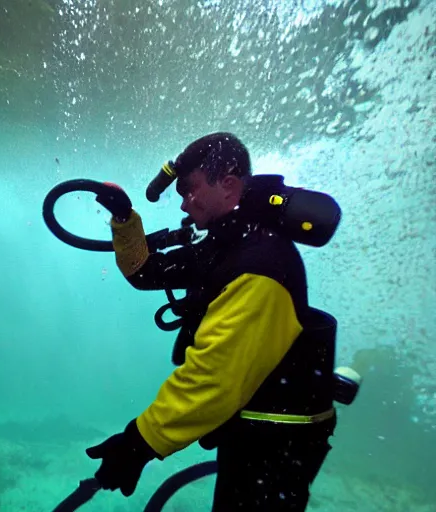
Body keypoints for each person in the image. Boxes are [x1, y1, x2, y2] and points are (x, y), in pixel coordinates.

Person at [85, 132, 338, 511]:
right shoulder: (229, 246)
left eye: (190, 190)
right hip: (258, 433)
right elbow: (145, 271)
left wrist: (138, 443)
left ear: (230, 185)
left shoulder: (258, 263)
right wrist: (124, 219)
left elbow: (214, 379)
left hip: (276, 443)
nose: (185, 204)